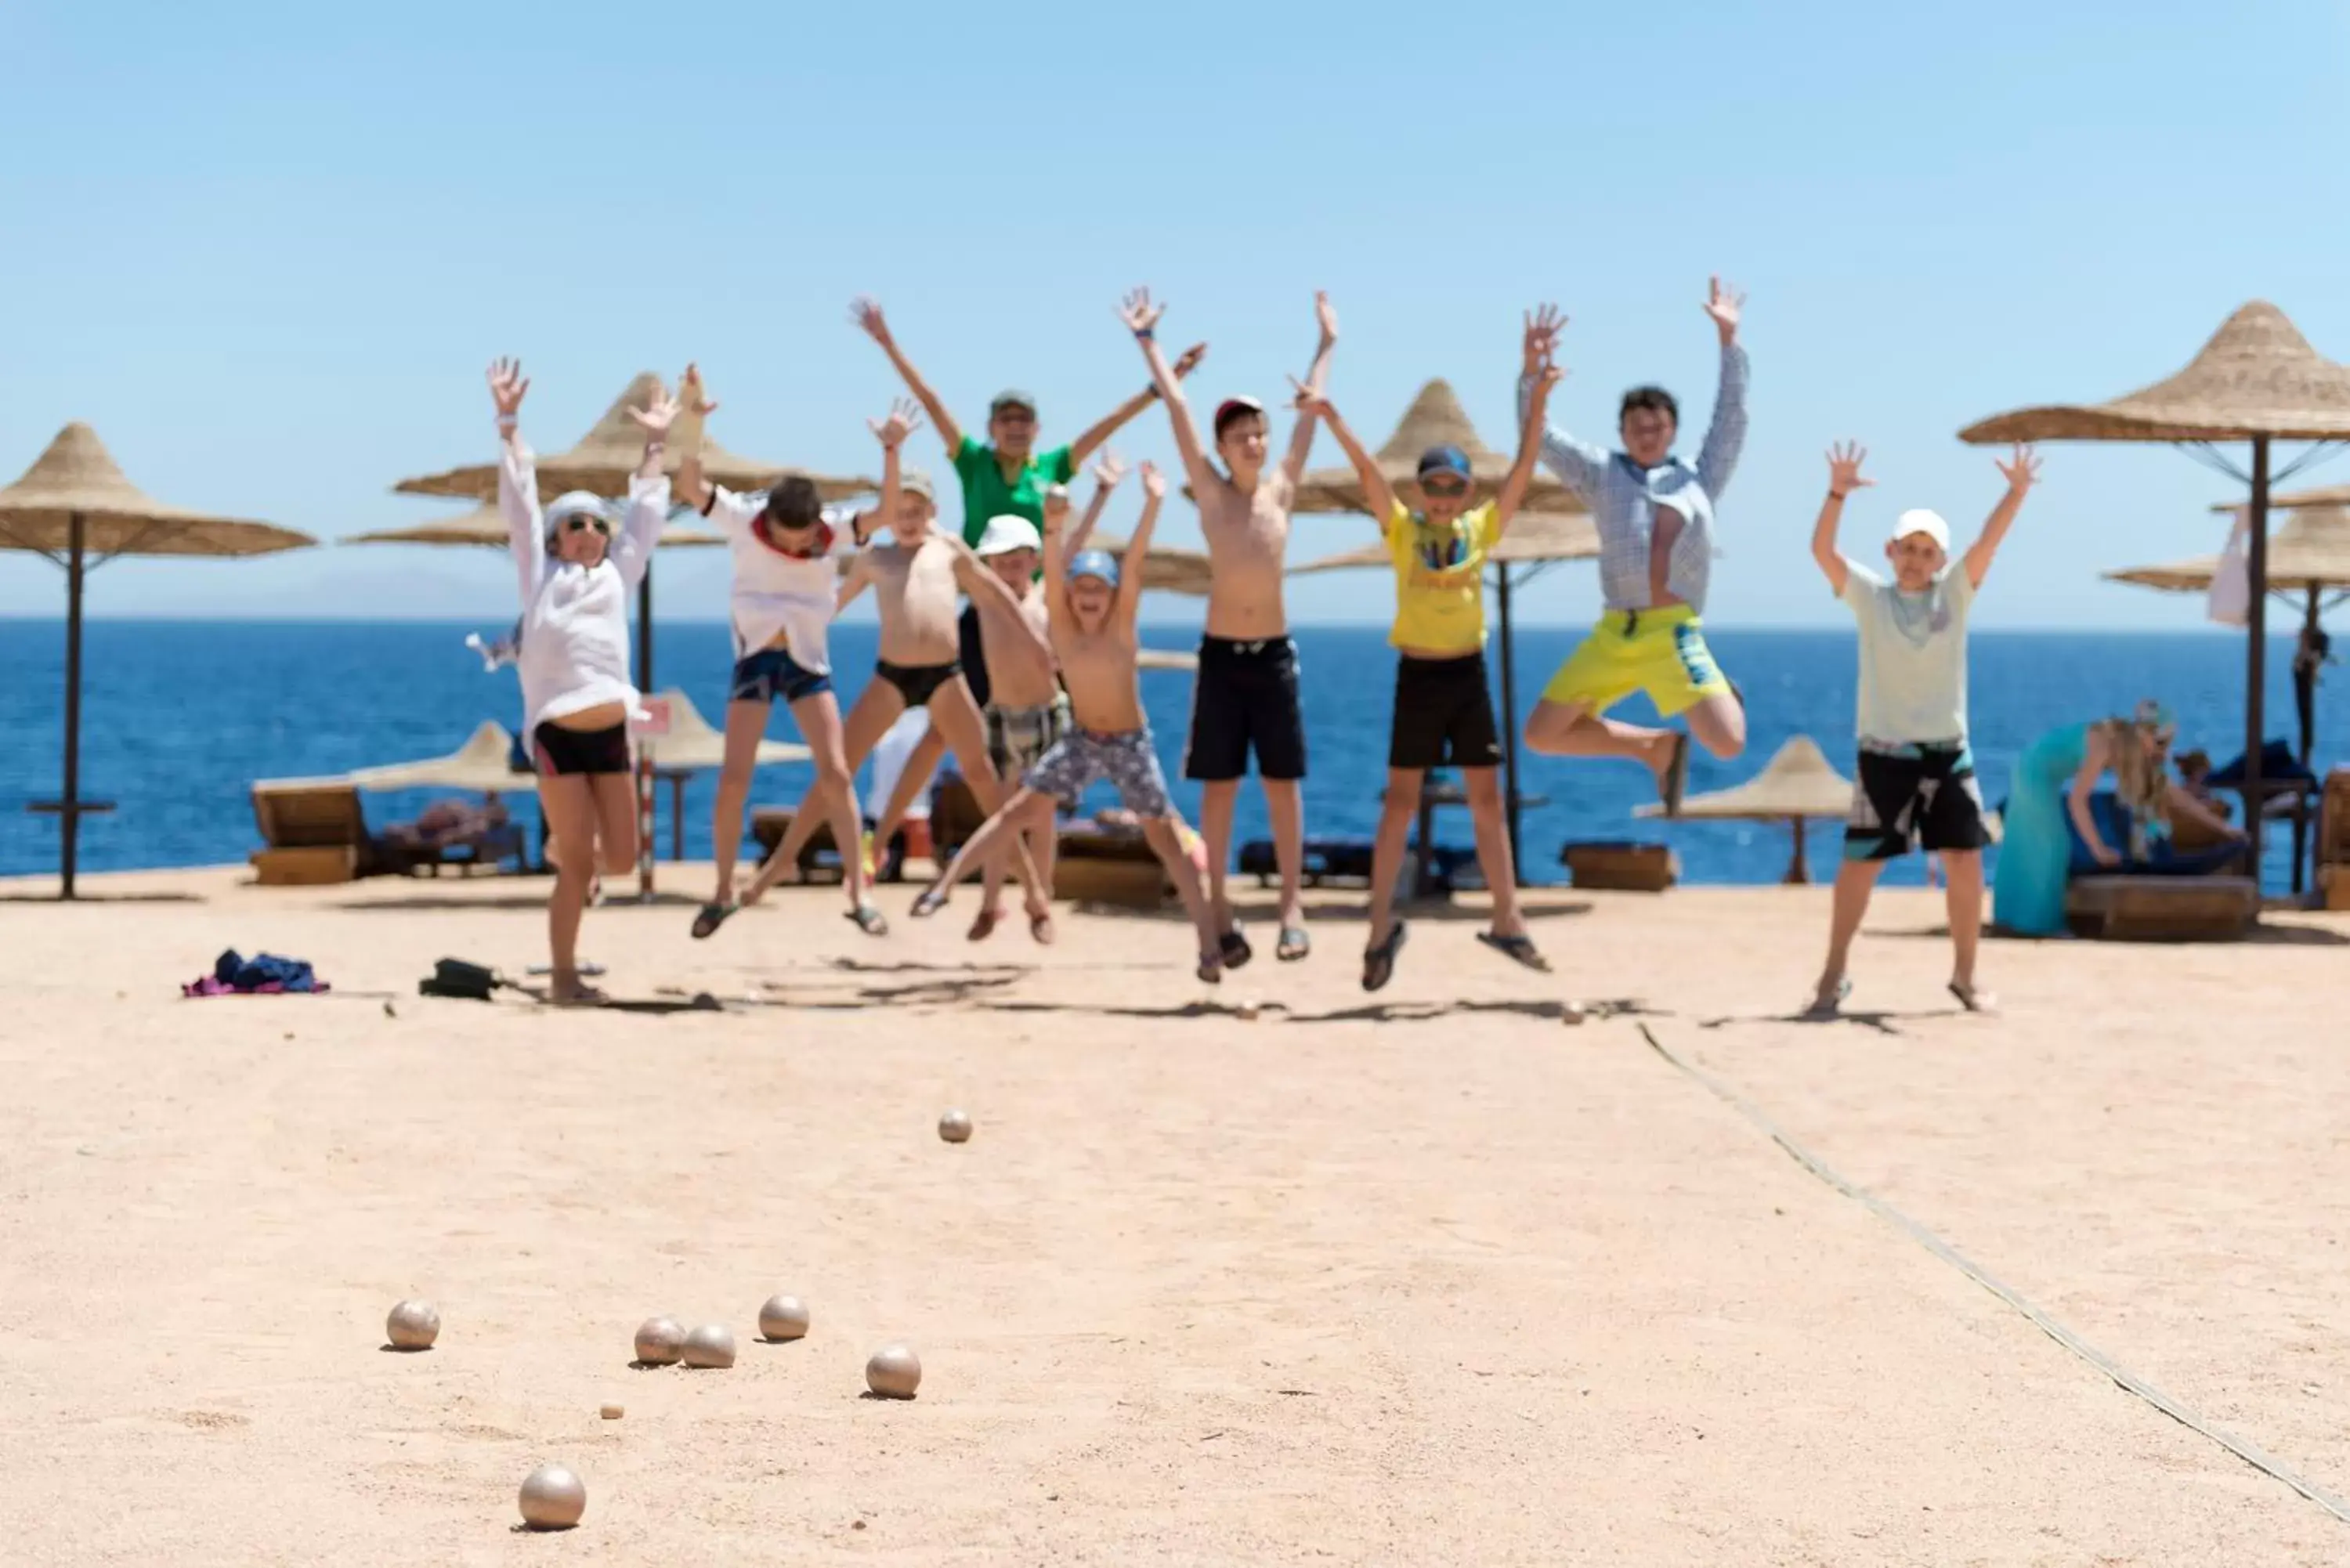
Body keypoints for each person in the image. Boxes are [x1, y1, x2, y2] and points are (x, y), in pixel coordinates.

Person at [1294, 331, 1556, 992]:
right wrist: (1332, 419)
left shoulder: (1480, 528)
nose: (1442, 498)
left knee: (1487, 803)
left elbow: (1523, 469)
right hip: (1418, 675)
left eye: (1453, 488)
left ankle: (1509, 918)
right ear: (1422, 490)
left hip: (1467, 675)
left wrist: (1538, 401)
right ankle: (1380, 927)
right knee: (1398, 806)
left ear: (1467, 493)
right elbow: (1367, 473)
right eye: (1433, 487)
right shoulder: (1404, 528)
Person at [912, 464, 1225, 981]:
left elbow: (1137, 561)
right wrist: (1054, 524)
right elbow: (1054, 563)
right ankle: (943, 890)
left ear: (1113, 593)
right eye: (1079, 587)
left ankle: (1209, 944)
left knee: (1165, 837)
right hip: (1081, 739)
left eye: (1098, 588)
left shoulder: (1122, 626)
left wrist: (1151, 503)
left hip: (1127, 743)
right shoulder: (1059, 618)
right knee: (1013, 812)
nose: (1087, 596)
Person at [749, 406, 1050, 916]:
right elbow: (829, 608)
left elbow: (997, 595)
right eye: (900, 511)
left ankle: (1034, 893)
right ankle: (779, 863)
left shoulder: (949, 549)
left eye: (917, 510)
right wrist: (784, 641)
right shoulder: (876, 557)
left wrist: (1039, 644)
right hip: (891, 676)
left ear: (932, 510)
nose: (908, 520)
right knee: (837, 770)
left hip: (946, 676)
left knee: (983, 778)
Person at [1119, 285, 1337, 967]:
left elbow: (1310, 416)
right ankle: (1216, 907)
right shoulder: (1210, 492)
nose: (1252, 439)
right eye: (1239, 433)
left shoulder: (1284, 488)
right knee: (1219, 788)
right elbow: (1179, 412)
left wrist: (1327, 344)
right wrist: (1148, 343)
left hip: (1273, 657)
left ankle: (1291, 907)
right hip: (1220, 658)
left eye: (1258, 432)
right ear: (1220, 447)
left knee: (1283, 786)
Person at [1802, 440, 2039, 1017]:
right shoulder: (1870, 597)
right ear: (1890, 551)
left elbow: (1989, 542)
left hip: (1947, 752)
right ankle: (1832, 976)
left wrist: (2016, 493)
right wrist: (1837, 493)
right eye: (1907, 548)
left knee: (1965, 861)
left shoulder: (1955, 593)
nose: (1915, 559)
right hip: (1883, 754)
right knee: (1861, 865)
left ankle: (1965, 976)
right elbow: (1822, 550)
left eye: (1926, 551)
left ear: (1940, 559)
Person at [1517, 282, 1751, 811]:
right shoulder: (1603, 474)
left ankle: (1719, 691)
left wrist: (1728, 340)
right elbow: (1540, 439)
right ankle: (1652, 746)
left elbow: (1731, 420)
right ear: (1622, 431)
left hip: (1673, 634)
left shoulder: (1698, 477)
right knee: (1541, 734)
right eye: (1636, 427)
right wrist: (1531, 375)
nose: (1646, 434)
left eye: (1657, 426)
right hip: (1614, 632)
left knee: (1729, 743)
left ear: (1672, 431)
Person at [669, 365, 883, 940]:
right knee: (733, 777)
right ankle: (719, 891)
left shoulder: (833, 531)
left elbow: (884, 511)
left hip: (809, 662)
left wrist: (892, 451)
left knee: (837, 773)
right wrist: (692, 421)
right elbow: (691, 487)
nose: (796, 547)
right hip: (758, 657)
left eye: (803, 539)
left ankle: (858, 892)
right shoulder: (745, 519)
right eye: (786, 539)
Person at [490, 357, 671, 1005]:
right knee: (575, 864)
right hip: (558, 734)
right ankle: (564, 978)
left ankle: (575, 860)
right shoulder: (541, 576)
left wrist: (655, 448)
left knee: (618, 862)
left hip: (610, 731)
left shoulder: (618, 576)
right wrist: (509, 426)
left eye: (599, 522)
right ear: (558, 541)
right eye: (577, 524)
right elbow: (519, 508)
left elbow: (646, 523)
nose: (591, 531)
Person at [865, 452, 1131, 877]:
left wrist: (1102, 491)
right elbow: (933, 536)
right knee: (939, 739)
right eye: (1001, 557)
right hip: (984, 648)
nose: (1009, 563)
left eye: (1017, 557)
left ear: (1030, 557)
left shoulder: (1042, 589)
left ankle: (1029, 887)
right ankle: (880, 835)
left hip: (1035, 688)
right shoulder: (979, 579)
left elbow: (1070, 546)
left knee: (1032, 797)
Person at [1991, 702, 2244, 937]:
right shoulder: (2105, 743)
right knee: (2052, 845)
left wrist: (2223, 828)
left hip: (2044, 773)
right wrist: (2098, 848)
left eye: (2167, 744)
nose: (2163, 752)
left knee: (2040, 844)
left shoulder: (2131, 748)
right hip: (2035, 771)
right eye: (2160, 743)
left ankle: (2015, 920)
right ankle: (2041, 926)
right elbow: (2077, 800)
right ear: (2145, 735)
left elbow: (2176, 796)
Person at [2294, 624, 2333, 768]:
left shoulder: (2309, 658)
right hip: (2304, 691)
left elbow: (2307, 668)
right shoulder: (2310, 658)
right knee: (2306, 724)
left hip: (2304, 692)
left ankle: (2306, 749)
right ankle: (2306, 749)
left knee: (2306, 725)